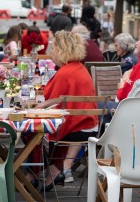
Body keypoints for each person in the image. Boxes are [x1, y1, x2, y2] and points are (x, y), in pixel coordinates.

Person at [35, 31, 99, 190]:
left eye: (53, 49)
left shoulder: (65, 72)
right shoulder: (79, 68)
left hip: (78, 126)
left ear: (61, 50)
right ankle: (54, 170)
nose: (51, 53)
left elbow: (50, 98)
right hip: (89, 124)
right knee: (54, 124)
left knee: (33, 130)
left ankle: (33, 173)